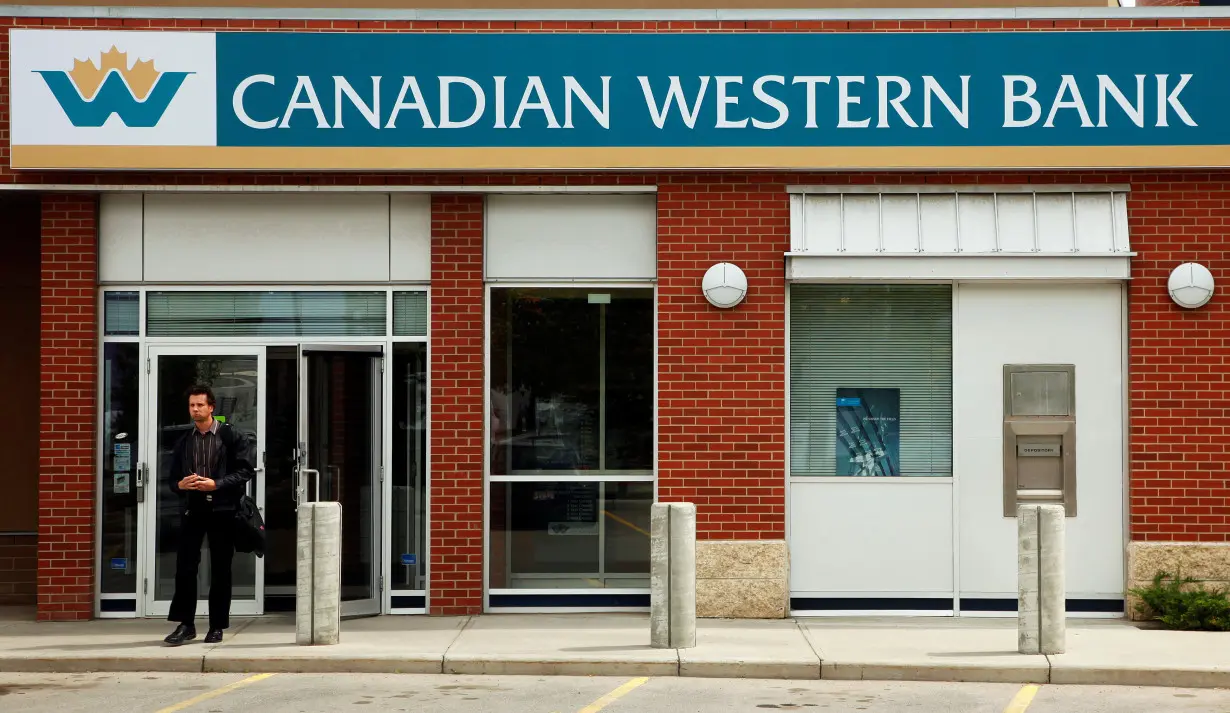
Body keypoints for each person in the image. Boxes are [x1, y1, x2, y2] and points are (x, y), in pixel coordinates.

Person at [163, 384, 254, 646]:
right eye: (191, 405)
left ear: (211, 407)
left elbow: (246, 471)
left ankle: (216, 626)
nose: (195, 409)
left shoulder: (230, 436)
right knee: (185, 569)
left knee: (221, 569)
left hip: (223, 510)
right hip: (194, 510)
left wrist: (217, 484)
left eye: (200, 405)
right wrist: (180, 486)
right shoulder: (184, 441)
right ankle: (186, 624)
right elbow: (172, 481)